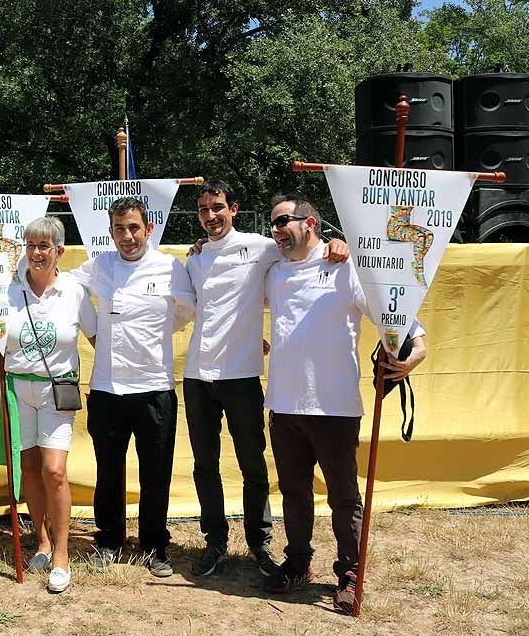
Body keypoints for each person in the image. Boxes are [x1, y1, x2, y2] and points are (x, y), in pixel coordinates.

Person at [263, 195, 426, 614]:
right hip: (282, 405)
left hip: (334, 406)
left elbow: (393, 310)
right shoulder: (273, 273)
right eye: (272, 224)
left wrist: (417, 349)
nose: (276, 230)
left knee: (344, 497)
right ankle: (298, 562)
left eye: (283, 221)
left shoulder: (346, 266)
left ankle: (350, 573)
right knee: (294, 492)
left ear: (311, 223)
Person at [182, 181, 348, 577]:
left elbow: (304, 246)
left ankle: (259, 543)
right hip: (196, 377)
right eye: (203, 210)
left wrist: (335, 244)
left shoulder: (262, 246)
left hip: (241, 377)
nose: (210, 216)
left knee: (252, 466)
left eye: (217, 207)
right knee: (204, 466)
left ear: (234, 209)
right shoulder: (195, 257)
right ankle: (215, 542)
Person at [68, 197, 194, 577]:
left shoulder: (170, 267)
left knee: (156, 471)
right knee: (108, 470)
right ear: (110, 233)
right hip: (107, 389)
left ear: (148, 229)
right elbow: (65, 289)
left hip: (155, 386)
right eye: (120, 228)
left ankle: (155, 545)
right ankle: (109, 540)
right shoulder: (100, 265)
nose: (128, 236)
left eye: (134, 227)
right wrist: (93, 331)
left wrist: (156, 334)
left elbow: (186, 310)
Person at [3, 217, 96, 593]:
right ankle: (41, 541)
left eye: (44, 246)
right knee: (28, 468)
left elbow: (95, 338)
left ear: (59, 251)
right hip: (16, 389)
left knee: (54, 470)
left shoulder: (74, 290)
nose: (36, 253)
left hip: (57, 389)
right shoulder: (7, 288)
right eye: (31, 245)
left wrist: (103, 385)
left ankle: (62, 553)